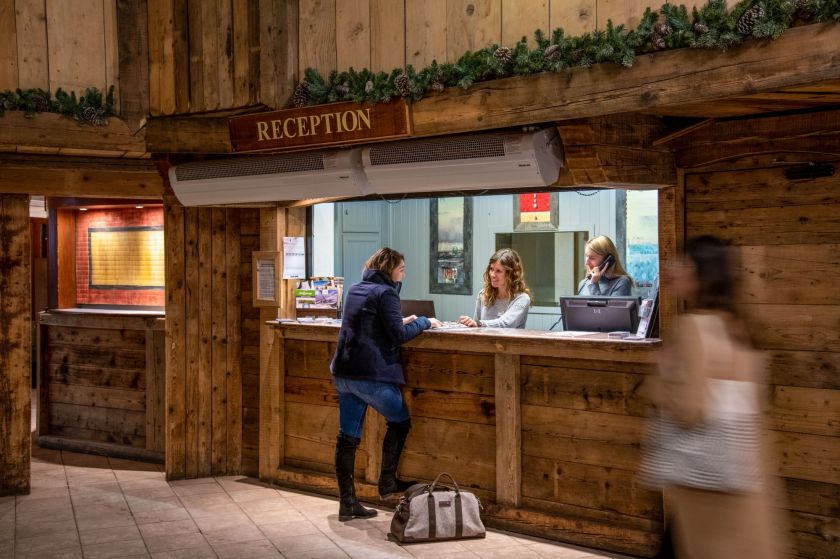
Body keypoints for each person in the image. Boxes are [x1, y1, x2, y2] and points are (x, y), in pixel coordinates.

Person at [640, 235, 789, 558]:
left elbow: (691, 409)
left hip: (706, 482)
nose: (672, 271)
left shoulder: (693, 327)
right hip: (742, 473)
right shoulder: (738, 325)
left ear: (699, 273)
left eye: (680, 265)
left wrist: (659, 380)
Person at [330, 247, 441, 521]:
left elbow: (368, 324)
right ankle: (388, 481)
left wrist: (399, 320)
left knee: (347, 439)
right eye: (401, 269)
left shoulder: (356, 288)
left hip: (343, 374)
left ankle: (348, 502)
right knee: (400, 420)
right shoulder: (387, 292)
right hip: (370, 376)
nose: (403, 274)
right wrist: (426, 321)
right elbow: (398, 335)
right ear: (390, 268)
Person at [458, 248, 531, 329]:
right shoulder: (483, 294)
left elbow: (506, 324)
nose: (492, 274)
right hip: (484, 342)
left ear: (510, 274)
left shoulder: (522, 299)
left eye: (498, 271)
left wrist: (478, 324)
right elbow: (476, 327)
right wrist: (468, 323)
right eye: (491, 269)